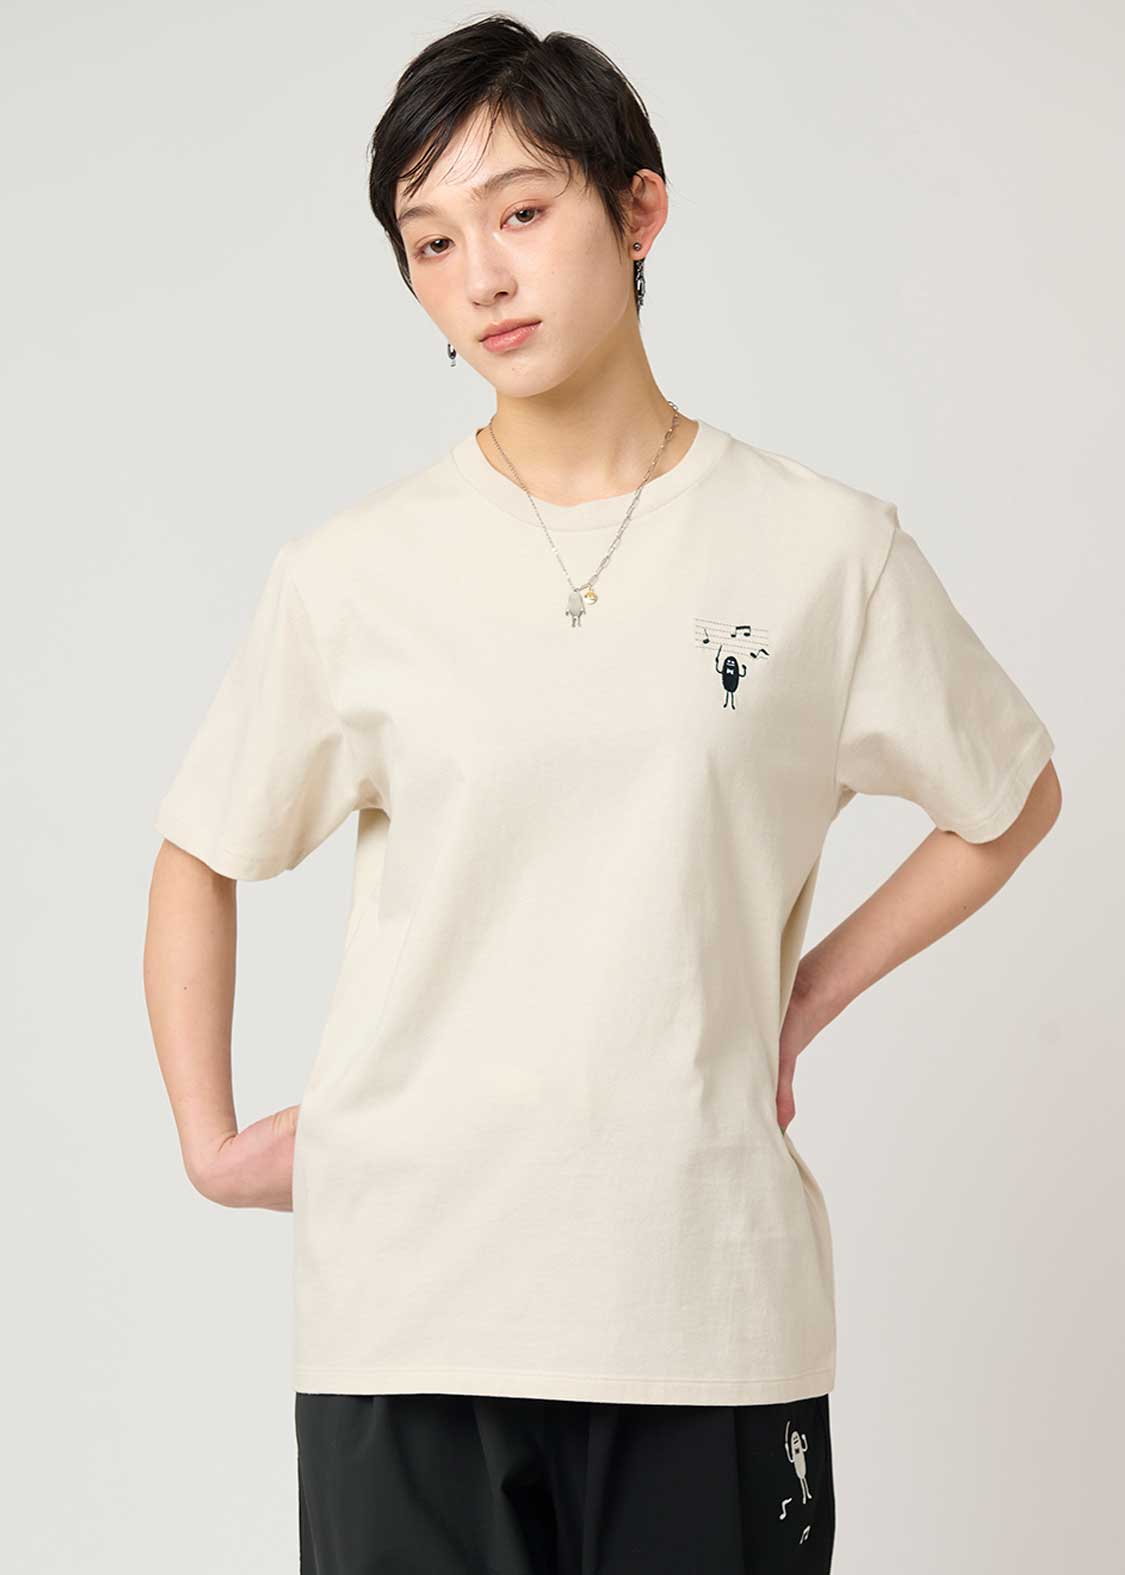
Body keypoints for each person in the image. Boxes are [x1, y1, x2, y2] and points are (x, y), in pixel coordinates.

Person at [142, 15, 1061, 1574]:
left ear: (639, 211)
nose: (481, 277)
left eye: (520, 210)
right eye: (431, 242)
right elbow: (201, 845)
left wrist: (797, 999)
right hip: (409, 1312)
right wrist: (210, 1140)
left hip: (704, 1302)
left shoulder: (819, 550)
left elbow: (1006, 797)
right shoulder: (354, 576)